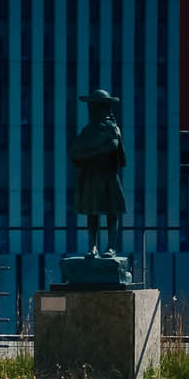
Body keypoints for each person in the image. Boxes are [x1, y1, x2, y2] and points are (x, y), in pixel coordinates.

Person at [70, 89, 126, 255]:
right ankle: (92, 246)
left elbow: (113, 146)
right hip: (91, 174)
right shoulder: (88, 130)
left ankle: (111, 246)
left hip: (108, 173)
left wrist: (90, 150)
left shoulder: (111, 128)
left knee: (111, 211)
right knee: (92, 212)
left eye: (95, 106)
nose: (92, 110)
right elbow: (75, 152)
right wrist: (95, 150)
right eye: (91, 107)